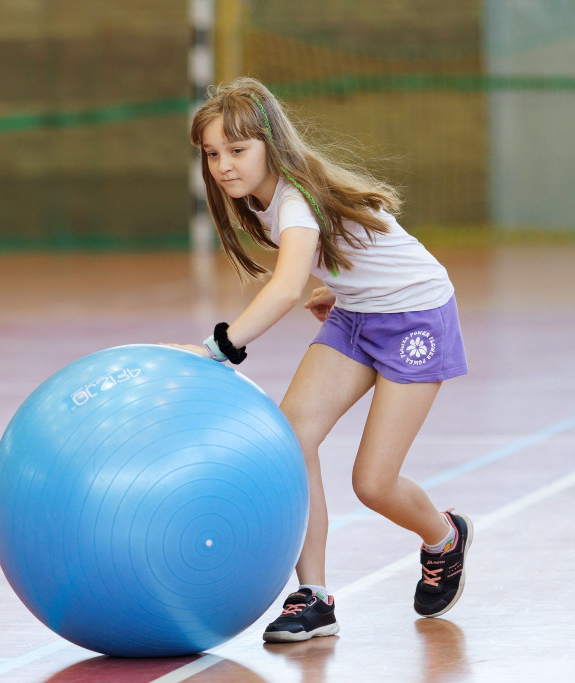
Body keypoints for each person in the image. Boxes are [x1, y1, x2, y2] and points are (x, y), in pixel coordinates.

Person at [167, 77, 472, 642]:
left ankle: (444, 537)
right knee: (292, 441)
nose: (224, 166)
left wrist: (219, 349)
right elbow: (344, 249)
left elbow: (284, 289)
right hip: (357, 316)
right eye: (212, 154)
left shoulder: (293, 199)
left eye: (238, 150)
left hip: (416, 316)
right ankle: (314, 597)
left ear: (270, 146)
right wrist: (343, 286)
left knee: (372, 485)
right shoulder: (259, 200)